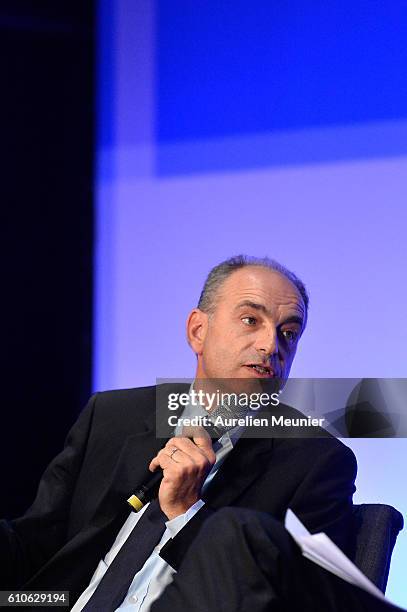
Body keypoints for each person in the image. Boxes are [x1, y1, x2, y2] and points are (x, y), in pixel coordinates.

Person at [0, 255, 397, 611]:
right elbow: (33, 551)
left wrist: (188, 514)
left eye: (289, 333)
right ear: (197, 331)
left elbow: (303, 603)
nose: (271, 344)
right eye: (250, 320)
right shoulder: (113, 416)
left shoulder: (315, 461)